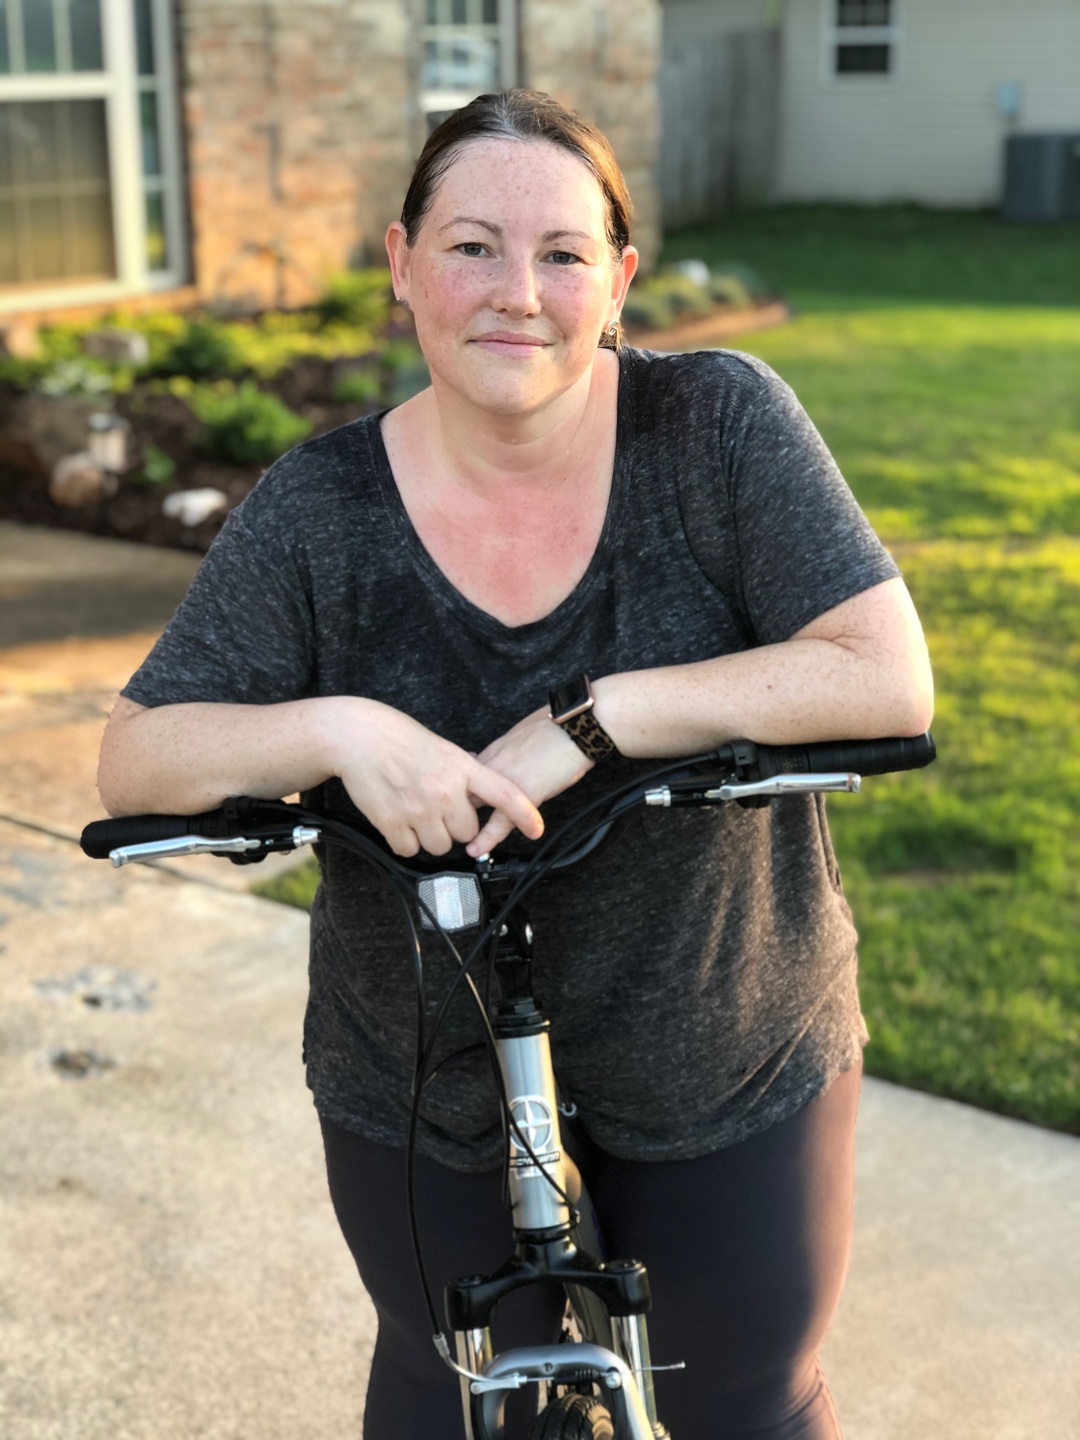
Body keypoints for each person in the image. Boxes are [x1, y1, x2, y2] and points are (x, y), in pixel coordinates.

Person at [98, 90, 933, 1440]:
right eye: (472, 246)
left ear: (620, 279)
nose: (518, 293)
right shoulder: (320, 509)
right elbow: (137, 757)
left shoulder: (715, 427)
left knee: (747, 1396)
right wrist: (337, 730)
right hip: (421, 1068)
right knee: (457, 1392)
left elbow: (883, 671)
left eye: (561, 253)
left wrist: (596, 718)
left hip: (719, 1032)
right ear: (401, 263)